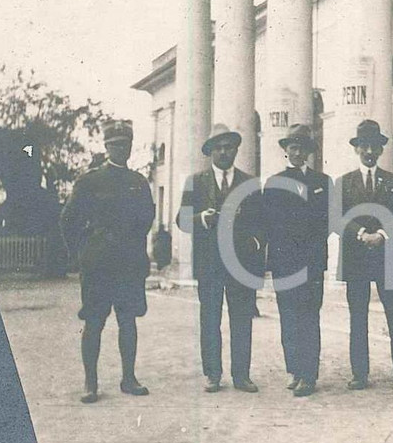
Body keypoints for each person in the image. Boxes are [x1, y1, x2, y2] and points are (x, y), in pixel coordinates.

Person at [59, 119, 154, 403]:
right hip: (98, 265)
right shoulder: (89, 180)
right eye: (115, 145)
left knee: (128, 322)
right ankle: (91, 383)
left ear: (130, 146)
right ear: (106, 147)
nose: (121, 149)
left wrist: (134, 248)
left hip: (128, 265)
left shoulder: (138, 182)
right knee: (94, 322)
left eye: (125, 145)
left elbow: (146, 219)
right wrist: (80, 253)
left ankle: (129, 378)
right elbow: (68, 219)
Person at [176, 124, 264, 394]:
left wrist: (255, 243)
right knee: (210, 318)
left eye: (229, 147)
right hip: (210, 263)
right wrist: (202, 218)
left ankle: (242, 376)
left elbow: (261, 222)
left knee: (242, 318)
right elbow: (181, 219)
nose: (224, 152)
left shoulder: (249, 183)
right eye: (218, 148)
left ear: (236, 150)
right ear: (210, 152)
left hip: (242, 264)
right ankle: (213, 374)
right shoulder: (196, 182)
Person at [337, 119, 393, 391]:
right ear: (357, 149)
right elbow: (338, 219)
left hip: (387, 255)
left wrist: (381, 234)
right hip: (356, 256)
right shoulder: (344, 183)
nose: (369, 151)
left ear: (381, 150)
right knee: (358, 316)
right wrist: (360, 234)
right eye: (364, 146)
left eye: (374, 147)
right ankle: (360, 373)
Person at [264, 124, 332, 398]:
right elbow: (269, 222)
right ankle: (294, 369)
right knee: (289, 317)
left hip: (312, 260)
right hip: (284, 261)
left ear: (308, 152)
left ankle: (309, 374)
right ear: (286, 151)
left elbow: (328, 220)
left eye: (302, 148)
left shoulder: (322, 182)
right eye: (293, 147)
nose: (297, 152)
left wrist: (309, 245)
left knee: (309, 316)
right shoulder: (274, 182)